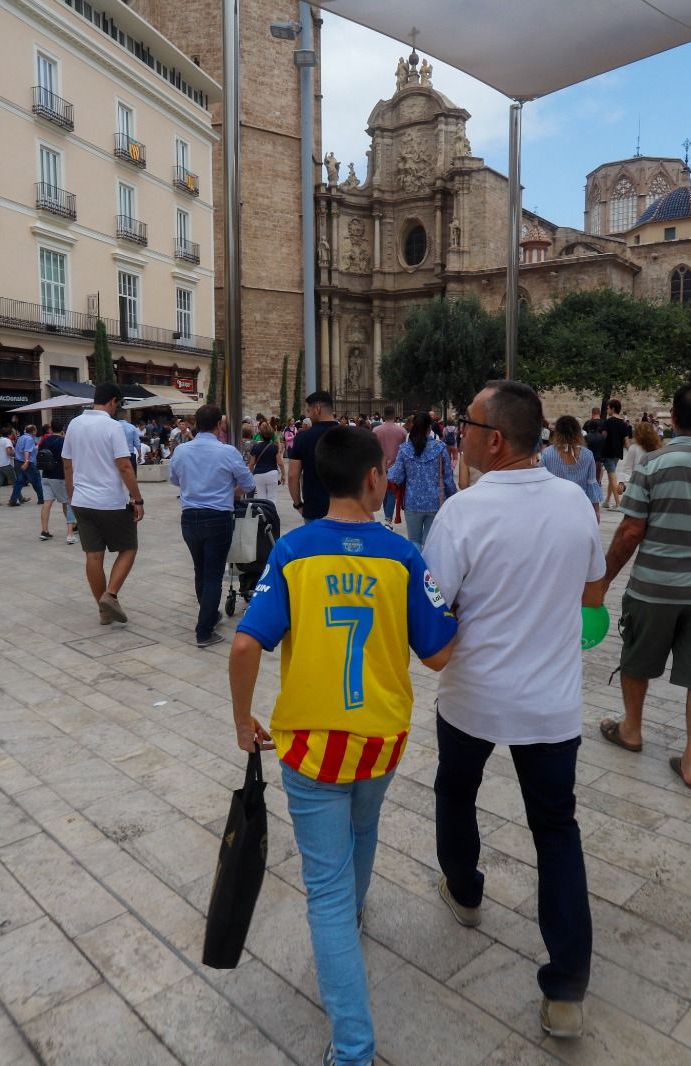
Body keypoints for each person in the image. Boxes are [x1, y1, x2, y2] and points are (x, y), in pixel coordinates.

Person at [230, 426, 455, 1066]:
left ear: (322, 481)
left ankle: (352, 1048)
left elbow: (247, 643)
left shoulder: (294, 552)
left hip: (310, 743)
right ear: (376, 479)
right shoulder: (404, 555)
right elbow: (438, 654)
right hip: (381, 736)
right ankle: (354, 912)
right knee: (366, 823)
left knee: (321, 891)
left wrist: (243, 719)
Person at [423, 381, 603, 1040]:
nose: (456, 434)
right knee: (556, 831)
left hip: (474, 695)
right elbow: (591, 588)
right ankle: (566, 989)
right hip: (551, 704)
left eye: (463, 423)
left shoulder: (461, 514)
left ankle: (465, 890)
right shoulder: (577, 504)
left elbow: (432, 610)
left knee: (456, 790)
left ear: (493, 438)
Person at [593, 383, 691, 792]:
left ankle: (631, 730)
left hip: (654, 589)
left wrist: (604, 579)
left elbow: (631, 531)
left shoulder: (652, 466)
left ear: (675, 418)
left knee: (637, 659)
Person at [169, 404, 255, 648]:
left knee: (200, 569)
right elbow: (248, 484)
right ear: (219, 425)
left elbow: (174, 479)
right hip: (217, 517)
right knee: (213, 575)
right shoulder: (227, 452)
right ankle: (204, 630)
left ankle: (209, 614)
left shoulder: (182, 451)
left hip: (190, 517)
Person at [65, 383, 145, 625]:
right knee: (129, 547)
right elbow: (124, 465)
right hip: (109, 501)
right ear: (113, 402)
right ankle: (110, 595)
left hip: (81, 500)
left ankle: (103, 611)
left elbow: (67, 464)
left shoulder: (74, 424)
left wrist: (72, 496)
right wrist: (137, 499)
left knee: (93, 555)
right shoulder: (112, 427)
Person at [387, 411, 458, 547]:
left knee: (414, 540)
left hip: (412, 502)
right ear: (429, 428)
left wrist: (387, 470)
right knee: (430, 542)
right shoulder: (440, 448)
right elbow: (448, 478)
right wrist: (452, 497)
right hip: (435, 501)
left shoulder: (405, 449)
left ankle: (417, 567)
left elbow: (395, 476)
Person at [288, 390, 341, 522]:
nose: (308, 415)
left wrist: (298, 504)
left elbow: (293, 475)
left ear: (317, 409)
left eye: (309, 411)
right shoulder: (350, 435)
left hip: (314, 508)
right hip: (344, 509)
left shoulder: (303, 437)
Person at [536, 414, 602, 518]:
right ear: (577, 432)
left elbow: (540, 483)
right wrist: (596, 512)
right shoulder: (588, 455)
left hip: (554, 508)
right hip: (580, 507)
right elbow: (592, 486)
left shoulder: (547, 453)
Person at [372, 407, 407, 524]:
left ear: (383, 414)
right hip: (396, 466)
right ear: (394, 415)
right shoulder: (402, 431)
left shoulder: (376, 430)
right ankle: (388, 518)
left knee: (383, 491)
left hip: (380, 465)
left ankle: (387, 516)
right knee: (392, 492)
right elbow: (404, 450)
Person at [599, 399, 632, 501]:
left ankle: (618, 503)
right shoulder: (623, 424)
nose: (607, 410)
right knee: (611, 476)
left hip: (608, 452)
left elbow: (603, 437)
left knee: (612, 476)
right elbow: (626, 442)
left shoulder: (607, 422)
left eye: (608, 408)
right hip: (617, 453)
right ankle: (607, 501)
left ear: (613, 409)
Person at [248, 420, 285, 502]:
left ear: (261, 434)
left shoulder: (255, 447)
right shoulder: (274, 448)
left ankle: (262, 514)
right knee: (272, 498)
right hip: (272, 473)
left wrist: (250, 475)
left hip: (258, 474)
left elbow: (251, 464)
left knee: (261, 498)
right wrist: (283, 474)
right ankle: (271, 514)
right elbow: (280, 463)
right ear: (271, 435)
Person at [10, 424, 44, 506]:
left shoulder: (21, 437)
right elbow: (27, 451)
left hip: (18, 461)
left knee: (19, 481)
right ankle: (41, 498)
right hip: (27, 463)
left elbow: (17, 449)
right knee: (36, 480)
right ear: (33, 431)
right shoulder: (29, 439)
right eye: (35, 430)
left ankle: (13, 499)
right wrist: (27, 461)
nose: (36, 432)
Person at [0, 426, 17, 505]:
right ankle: (19, 498)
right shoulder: (8, 441)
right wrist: (15, 454)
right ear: (10, 434)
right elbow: (9, 451)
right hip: (6, 464)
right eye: (12, 433)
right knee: (15, 482)